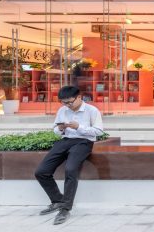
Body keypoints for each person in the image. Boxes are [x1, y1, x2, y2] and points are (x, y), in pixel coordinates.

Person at [35, 85, 104, 225]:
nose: (67, 105)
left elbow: (99, 131)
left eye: (69, 102)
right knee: (41, 172)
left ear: (79, 97)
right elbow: (55, 129)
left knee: (70, 169)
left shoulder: (92, 110)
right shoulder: (63, 110)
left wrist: (79, 127)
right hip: (65, 140)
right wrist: (59, 128)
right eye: (63, 102)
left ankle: (65, 208)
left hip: (83, 142)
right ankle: (58, 201)